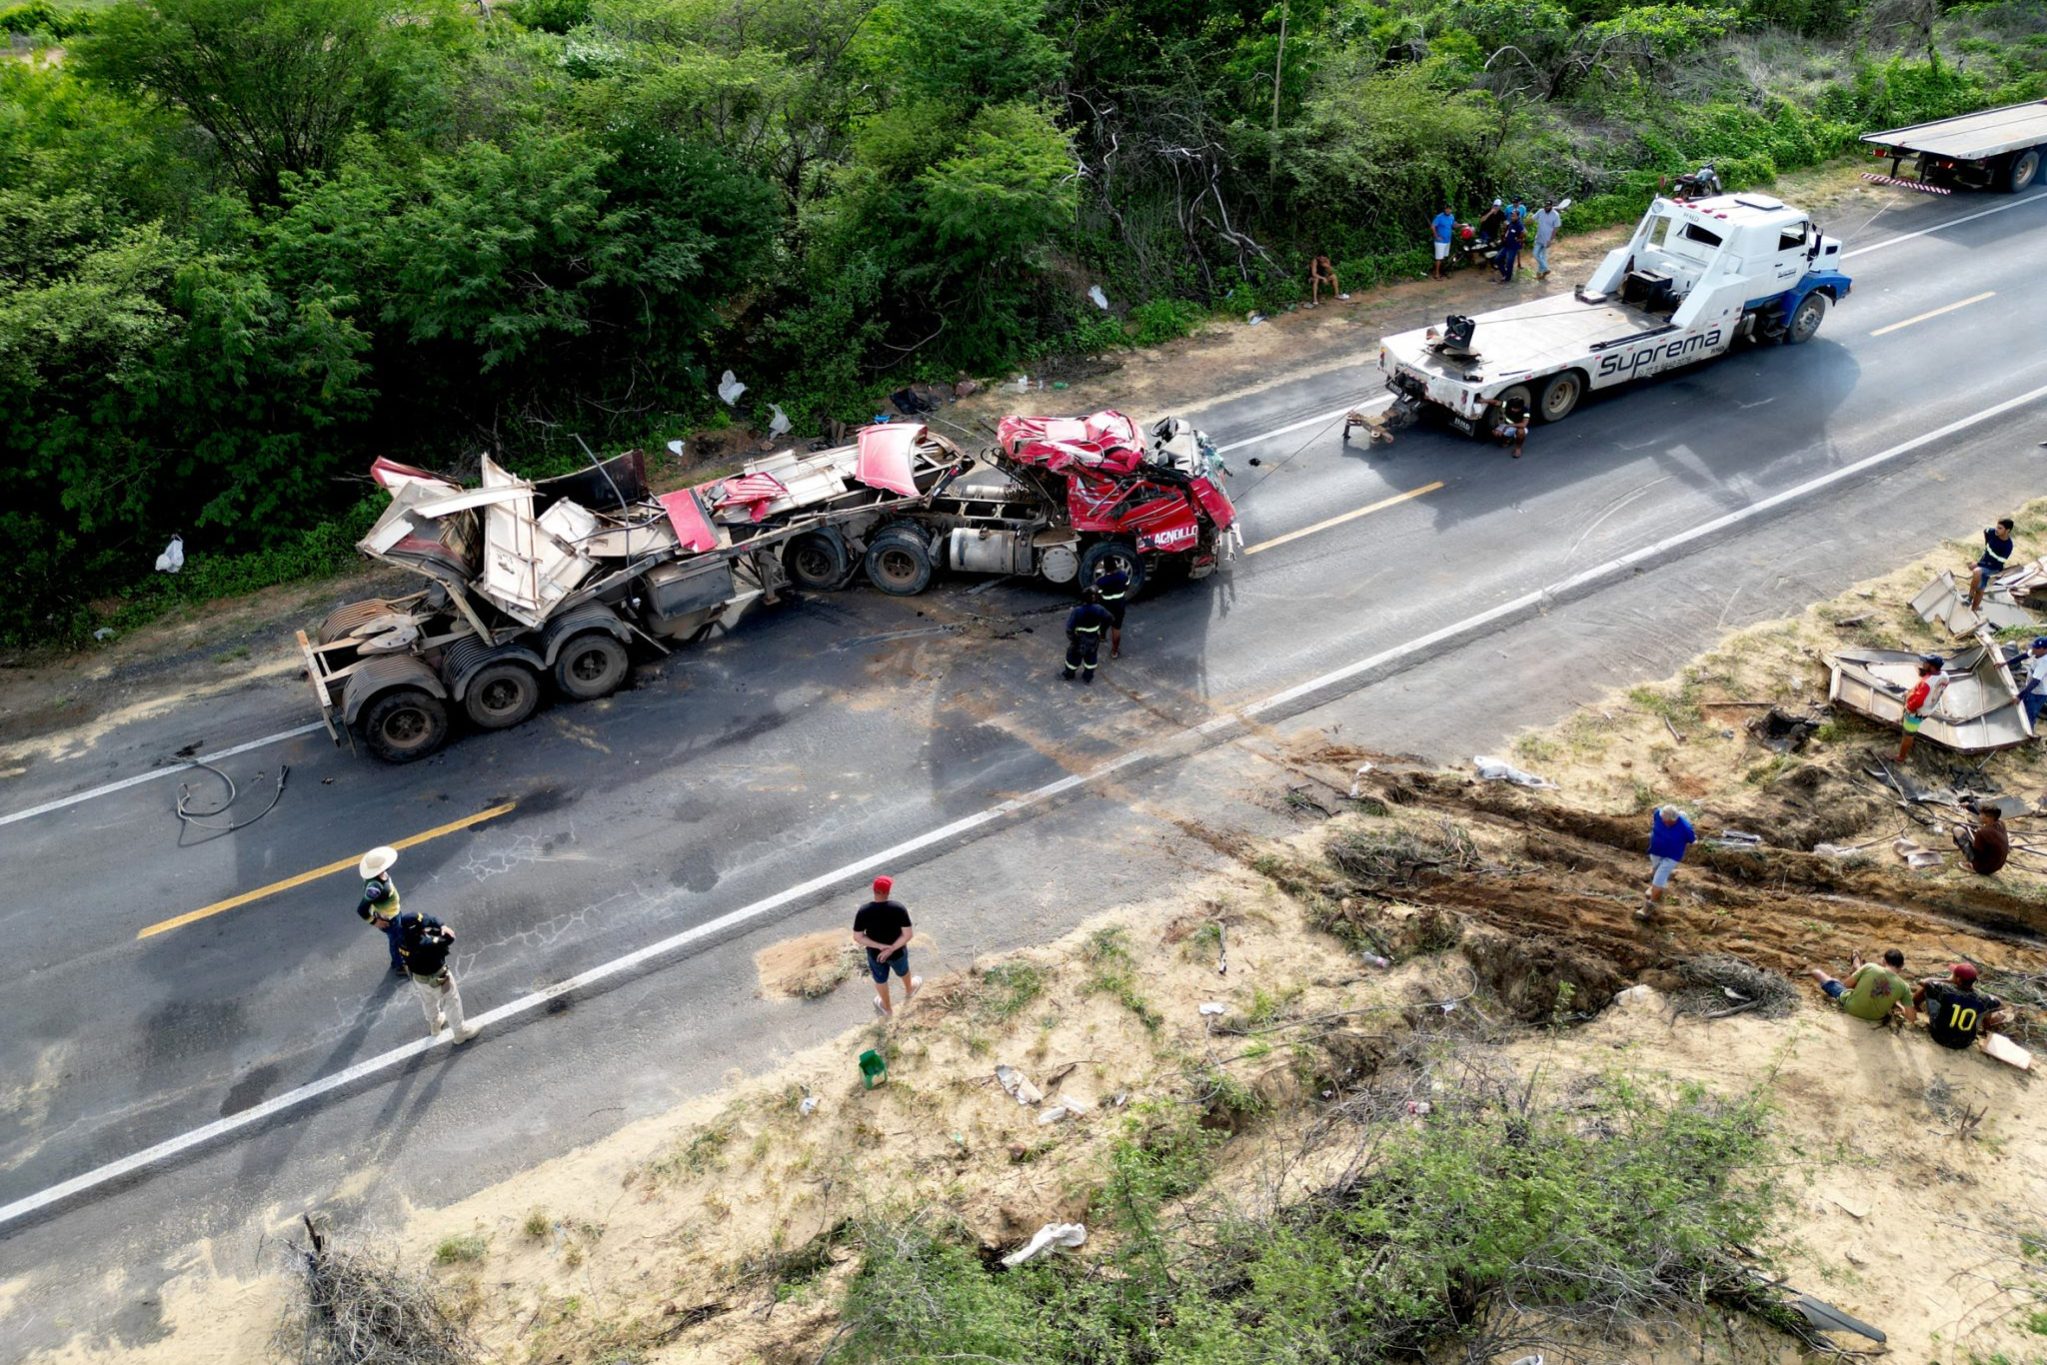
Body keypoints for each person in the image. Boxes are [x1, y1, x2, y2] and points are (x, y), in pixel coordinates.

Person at [396, 909, 477, 1043]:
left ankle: (435, 1023)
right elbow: (449, 938)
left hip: (419, 979)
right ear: (417, 930)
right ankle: (460, 1032)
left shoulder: (401, 937)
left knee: (428, 1001)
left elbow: (427, 918)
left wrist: (441, 925)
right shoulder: (425, 945)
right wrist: (443, 930)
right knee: (451, 1001)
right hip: (438, 978)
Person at [852, 874, 920, 1017]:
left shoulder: (864, 911)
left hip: (876, 955)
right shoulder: (898, 908)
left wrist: (879, 946)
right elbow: (908, 935)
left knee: (880, 980)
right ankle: (909, 989)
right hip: (898, 952)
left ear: (874, 890)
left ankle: (887, 1009)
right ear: (888, 892)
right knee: (904, 971)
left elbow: (858, 937)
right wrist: (891, 948)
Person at [1914, 963, 2006, 1051]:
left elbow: (1923, 982)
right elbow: (2001, 1004)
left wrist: (1947, 980)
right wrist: (1977, 991)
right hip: (1964, 1043)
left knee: (1927, 989)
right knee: (1987, 1008)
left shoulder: (1945, 990)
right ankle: (1986, 1029)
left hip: (1939, 1036)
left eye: (1953, 974)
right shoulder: (1983, 998)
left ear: (1958, 979)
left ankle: (1916, 1007)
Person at [1807, 949, 1912, 1023]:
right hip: (1876, 1017)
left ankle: (1856, 964)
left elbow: (1846, 984)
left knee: (1819, 973)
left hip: (1851, 1008)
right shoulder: (1904, 986)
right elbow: (1910, 1016)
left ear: (1883, 961)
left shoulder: (1871, 966)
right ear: (1902, 966)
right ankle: (1857, 965)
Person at [355, 846, 407, 975]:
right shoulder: (375, 888)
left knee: (398, 937)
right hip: (388, 919)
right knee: (396, 941)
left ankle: (398, 960)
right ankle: (399, 965)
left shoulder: (380, 876)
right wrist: (375, 922)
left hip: (393, 913)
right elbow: (361, 909)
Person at [1639, 804, 1696, 918]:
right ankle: (1655, 887)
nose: (1665, 823)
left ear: (1675, 819)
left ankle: (1649, 907)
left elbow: (1692, 840)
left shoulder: (1685, 827)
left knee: (1659, 879)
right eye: (1663, 820)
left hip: (1671, 856)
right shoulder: (1658, 814)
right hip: (1656, 851)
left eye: (1668, 822)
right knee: (1656, 871)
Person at [1894, 655, 1951, 762]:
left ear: (1932, 667)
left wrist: (1909, 707)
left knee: (1908, 735)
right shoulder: (1945, 676)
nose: (1923, 664)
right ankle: (1904, 724)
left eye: (1926, 663)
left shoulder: (1927, 683)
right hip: (1929, 709)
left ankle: (1901, 757)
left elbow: (1918, 701)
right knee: (1907, 697)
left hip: (1916, 713)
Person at [1063, 591, 1115, 685]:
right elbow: (1110, 618)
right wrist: (1103, 632)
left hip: (1079, 639)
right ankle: (1088, 677)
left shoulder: (1077, 611)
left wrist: (1074, 639)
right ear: (1094, 599)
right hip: (1093, 638)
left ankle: (1069, 674)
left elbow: (1069, 629)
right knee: (1091, 657)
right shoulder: (1099, 609)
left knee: (1073, 657)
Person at [1968, 518, 2016, 612]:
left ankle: (1969, 598)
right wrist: (1987, 545)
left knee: (1977, 571)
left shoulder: (2008, 546)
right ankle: (1973, 608)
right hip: (1984, 563)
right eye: (1997, 527)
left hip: (1994, 568)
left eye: (2000, 528)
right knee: (1980, 589)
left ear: (2007, 531)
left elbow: (1997, 563)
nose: (1996, 529)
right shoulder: (1992, 532)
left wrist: (1978, 564)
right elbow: (1985, 531)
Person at [1951, 803, 2009, 875]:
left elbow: (1976, 853)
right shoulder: (2001, 823)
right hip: (1996, 866)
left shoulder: (1982, 832)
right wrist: (1968, 806)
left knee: (1957, 830)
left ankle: (1973, 866)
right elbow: (1980, 812)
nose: (1979, 816)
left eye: (1981, 815)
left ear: (1988, 818)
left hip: (1983, 868)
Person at [1093, 565, 1131, 659]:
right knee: (1116, 628)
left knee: (1103, 622)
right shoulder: (1123, 576)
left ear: (1105, 569)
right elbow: (1127, 587)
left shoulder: (1101, 581)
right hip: (1119, 606)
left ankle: (1102, 637)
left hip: (1106, 606)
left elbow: (1098, 594)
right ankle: (1114, 652)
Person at [2018, 636, 2047, 729]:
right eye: (2034, 646)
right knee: (2022, 712)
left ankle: (2028, 737)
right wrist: (2005, 663)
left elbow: (2035, 682)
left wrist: (2019, 696)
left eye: (2036, 648)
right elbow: (2024, 656)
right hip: (2030, 690)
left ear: (2044, 650)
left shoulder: (2044, 662)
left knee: (2030, 716)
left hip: (2038, 695)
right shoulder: (2037, 653)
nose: (2033, 649)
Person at [1532, 201, 1562, 281]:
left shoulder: (1555, 215)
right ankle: (1546, 268)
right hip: (1539, 237)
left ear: (1551, 206)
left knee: (1543, 256)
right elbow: (1532, 218)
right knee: (1535, 254)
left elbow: (1555, 229)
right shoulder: (1540, 211)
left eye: (1548, 206)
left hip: (1547, 239)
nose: (1546, 207)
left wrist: (1550, 240)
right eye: (1545, 205)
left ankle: (1540, 274)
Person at [1495, 214, 1524, 283]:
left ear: (1518, 217)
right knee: (1497, 259)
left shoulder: (1519, 225)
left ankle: (1507, 278)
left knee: (1509, 263)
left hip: (1513, 247)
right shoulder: (1511, 223)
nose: (1512, 217)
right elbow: (1507, 231)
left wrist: (1519, 239)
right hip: (1506, 245)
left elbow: (1524, 232)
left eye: (1514, 216)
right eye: (1511, 216)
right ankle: (1505, 274)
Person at [1430, 206, 1456, 280]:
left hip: (1447, 241)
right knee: (1439, 258)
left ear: (1451, 209)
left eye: (1449, 209)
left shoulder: (1451, 216)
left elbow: (1453, 225)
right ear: (1444, 209)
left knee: (1444, 257)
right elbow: (1432, 226)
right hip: (1440, 242)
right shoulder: (1439, 217)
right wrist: (1436, 236)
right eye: (1446, 208)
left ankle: (1441, 272)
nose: (1448, 210)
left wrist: (1463, 225)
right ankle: (1437, 274)